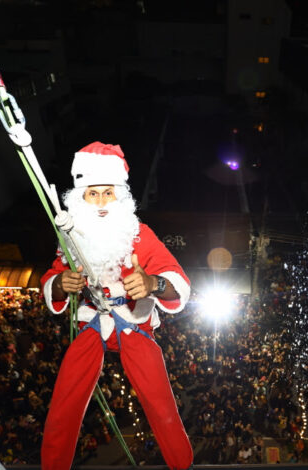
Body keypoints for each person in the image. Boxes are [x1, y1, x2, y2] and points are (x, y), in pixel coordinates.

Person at [40, 142, 193, 470]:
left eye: (108, 193)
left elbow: (177, 279)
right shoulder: (72, 238)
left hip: (133, 322)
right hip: (91, 322)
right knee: (64, 401)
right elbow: (52, 278)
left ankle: (182, 464)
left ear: (120, 195)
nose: (100, 203)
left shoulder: (139, 235)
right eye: (92, 194)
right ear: (80, 198)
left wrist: (153, 284)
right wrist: (60, 283)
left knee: (160, 403)